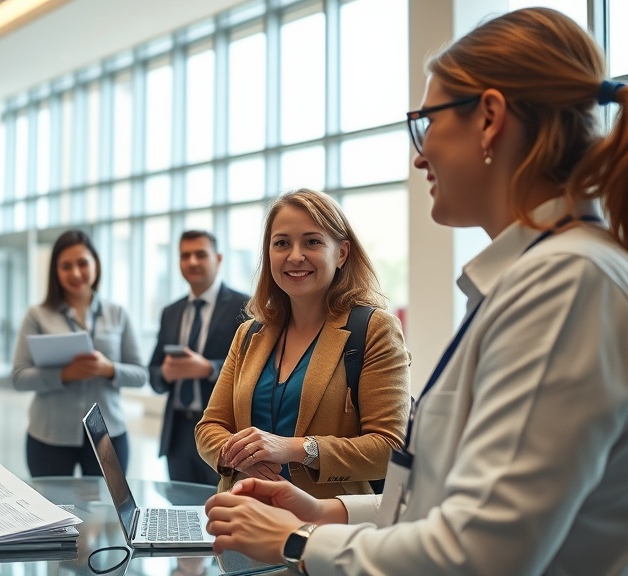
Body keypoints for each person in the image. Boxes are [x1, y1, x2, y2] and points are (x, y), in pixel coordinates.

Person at [203, 8, 628, 575]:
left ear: (490, 119)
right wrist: (326, 511)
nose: (420, 155)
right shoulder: (541, 276)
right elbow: (446, 503)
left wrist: (299, 541)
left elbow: (479, 554)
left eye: (427, 123)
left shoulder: (565, 283)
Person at [195, 189, 410, 498]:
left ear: (342, 253)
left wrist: (296, 449)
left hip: (326, 530)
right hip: (242, 518)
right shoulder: (249, 334)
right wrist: (241, 456)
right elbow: (209, 427)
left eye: (312, 241)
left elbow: (389, 448)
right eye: (281, 243)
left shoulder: (374, 328)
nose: (295, 256)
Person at [12, 229, 147, 477]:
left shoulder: (118, 313)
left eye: (83, 263)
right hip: (49, 434)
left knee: (108, 511)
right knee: (51, 510)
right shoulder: (37, 316)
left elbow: (140, 374)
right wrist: (65, 374)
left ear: (96, 264)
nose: (75, 273)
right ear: (55, 271)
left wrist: (109, 369)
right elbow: (19, 377)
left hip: (107, 434)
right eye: (66, 266)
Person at [148, 230, 249, 485]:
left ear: (218, 258)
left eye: (200, 255)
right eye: (185, 256)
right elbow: (153, 373)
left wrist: (209, 369)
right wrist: (165, 374)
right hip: (178, 433)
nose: (192, 261)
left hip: (223, 433)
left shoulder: (245, 307)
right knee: (181, 509)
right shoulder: (171, 311)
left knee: (222, 511)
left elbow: (253, 369)